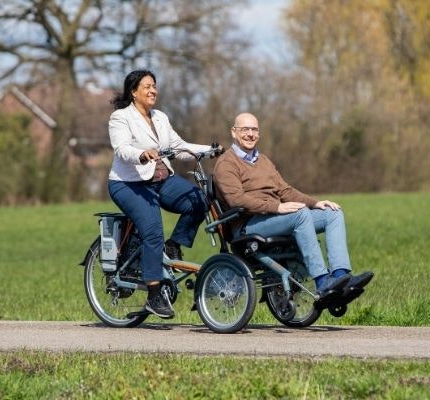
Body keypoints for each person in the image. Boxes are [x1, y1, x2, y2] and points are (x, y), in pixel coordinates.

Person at [213, 112, 373, 302]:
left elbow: (285, 191)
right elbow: (237, 200)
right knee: (300, 214)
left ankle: (340, 278)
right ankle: (322, 281)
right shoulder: (226, 164)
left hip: (273, 218)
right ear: (234, 132)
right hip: (247, 225)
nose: (250, 134)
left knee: (332, 213)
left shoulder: (263, 161)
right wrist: (276, 208)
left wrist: (316, 203)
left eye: (254, 129)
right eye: (245, 129)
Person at [107, 70, 213, 319]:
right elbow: (122, 149)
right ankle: (154, 295)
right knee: (153, 231)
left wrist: (211, 150)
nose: (153, 90)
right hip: (130, 184)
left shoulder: (161, 118)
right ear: (134, 92)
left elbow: (179, 147)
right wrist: (142, 154)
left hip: (162, 181)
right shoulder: (120, 118)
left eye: (155, 86)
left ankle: (174, 245)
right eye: (147, 86)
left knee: (200, 200)